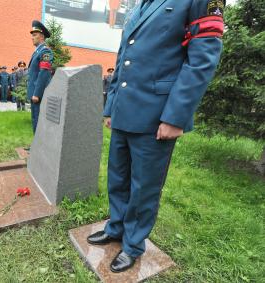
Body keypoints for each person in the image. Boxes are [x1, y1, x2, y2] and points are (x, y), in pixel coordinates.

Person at [87, 0, 225, 272]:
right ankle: (116, 227)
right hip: (125, 109)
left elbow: (201, 61)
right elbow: (123, 56)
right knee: (118, 176)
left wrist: (175, 116)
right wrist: (111, 105)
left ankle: (133, 244)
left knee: (144, 186)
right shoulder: (140, 4)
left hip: (156, 113)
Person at [27, 20, 53, 133]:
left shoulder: (45, 51)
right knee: (35, 119)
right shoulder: (37, 51)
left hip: (39, 93)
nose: (32, 37)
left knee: (38, 120)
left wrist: (37, 93)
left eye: (35, 35)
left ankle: (40, 148)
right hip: (35, 92)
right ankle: (36, 146)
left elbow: (44, 72)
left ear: (42, 36)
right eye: (32, 35)